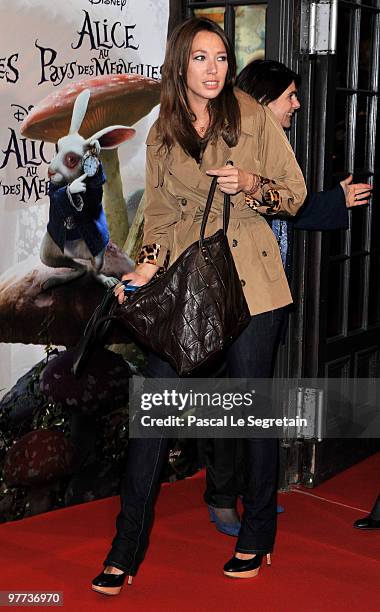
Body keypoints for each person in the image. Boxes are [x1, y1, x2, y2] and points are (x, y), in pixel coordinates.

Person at [91, 18, 307, 594]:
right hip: (191, 288)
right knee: (153, 416)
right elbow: (159, 216)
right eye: (201, 59)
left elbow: (295, 191)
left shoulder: (251, 115)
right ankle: (124, 548)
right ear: (181, 64)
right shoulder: (163, 128)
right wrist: (146, 265)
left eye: (221, 58)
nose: (213, 69)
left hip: (254, 284)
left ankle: (257, 534)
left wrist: (250, 182)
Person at [203, 59, 373, 537]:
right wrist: (324, 200)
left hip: (268, 294)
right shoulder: (230, 148)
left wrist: (330, 200)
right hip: (233, 292)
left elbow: (287, 209)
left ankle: (253, 493)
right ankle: (221, 497)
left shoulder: (271, 147)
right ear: (262, 103)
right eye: (290, 96)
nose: (297, 105)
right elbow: (260, 207)